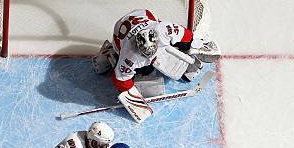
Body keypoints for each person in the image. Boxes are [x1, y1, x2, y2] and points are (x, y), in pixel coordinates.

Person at [92, 9, 220, 92]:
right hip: (120, 35)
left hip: (141, 14)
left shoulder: (163, 29)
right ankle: (111, 53)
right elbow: (120, 79)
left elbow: (186, 36)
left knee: (179, 43)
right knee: (146, 70)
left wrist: (191, 48)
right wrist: (133, 97)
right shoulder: (129, 55)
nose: (150, 56)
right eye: (145, 54)